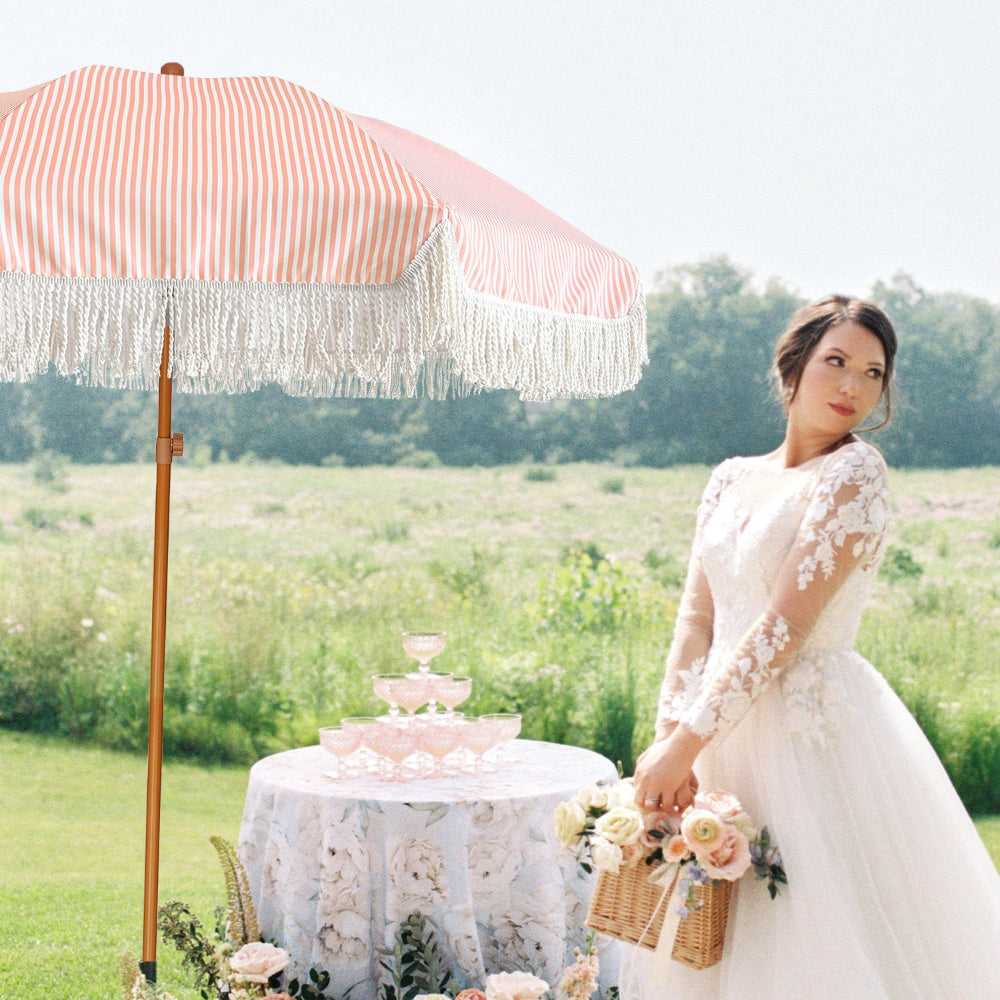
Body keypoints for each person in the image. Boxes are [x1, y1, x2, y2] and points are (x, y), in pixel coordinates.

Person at [625, 295, 1000, 999]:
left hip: (811, 734)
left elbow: (782, 628)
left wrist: (686, 746)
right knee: (713, 938)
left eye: (872, 372)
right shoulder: (730, 477)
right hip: (716, 733)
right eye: (836, 362)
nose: (852, 387)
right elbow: (696, 618)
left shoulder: (855, 474)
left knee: (811, 925)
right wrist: (668, 740)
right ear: (792, 365)